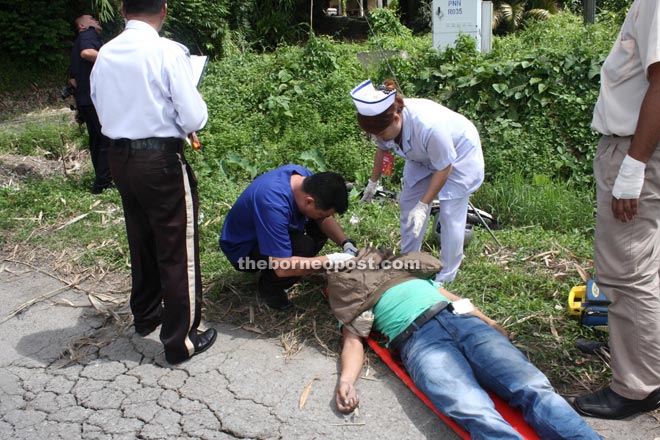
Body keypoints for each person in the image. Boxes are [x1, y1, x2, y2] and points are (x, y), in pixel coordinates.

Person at [327, 247, 602, 440]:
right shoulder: (355, 296)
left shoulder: (408, 275)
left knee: (532, 386)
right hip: (419, 340)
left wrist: (490, 322)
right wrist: (347, 381)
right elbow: (353, 342)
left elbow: (457, 300)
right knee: (470, 407)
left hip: (462, 323)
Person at [90, 0, 216, 365]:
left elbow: (100, 106)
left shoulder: (106, 53)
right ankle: (181, 341)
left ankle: (146, 315)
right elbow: (194, 114)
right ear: (163, 9)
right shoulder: (167, 51)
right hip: (158, 159)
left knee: (141, 237)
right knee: (177, 247)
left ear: (123, 10)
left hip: (119, 157)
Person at [573, 0, 660, 419]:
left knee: (627, 273)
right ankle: (639, 351)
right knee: (643, 266)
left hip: (637, 149)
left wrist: (635, 165)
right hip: (637, 148)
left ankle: (640, 386)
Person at [350, 79, 484, 283]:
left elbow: (444, 167)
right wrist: (373, 183)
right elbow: (382, 149)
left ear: (396, 118)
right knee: (407, 204)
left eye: (383, 133)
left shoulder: (430, 127)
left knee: (450, 214)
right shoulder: (383, 126)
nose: (381, 138)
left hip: (457, 156)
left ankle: (446, 275)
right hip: (421, 156)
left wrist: (424, 205)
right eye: (375, 135)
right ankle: (409, 263)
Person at [220, 164, 357, 310]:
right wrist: (331, 260)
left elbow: (323, 219)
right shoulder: (273, 204)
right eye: (323, 214)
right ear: (309, 201)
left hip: (266, 231)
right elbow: (282, 267)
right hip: (243, 253)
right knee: (304, 246)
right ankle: (270, 289)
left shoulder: (304, 179)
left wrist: (346, 243)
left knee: (319, 229)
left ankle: (287, 266)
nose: (327, 217)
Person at [69, 14, 112, 194]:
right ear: (82, 25)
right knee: (105, 139)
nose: (96, 22)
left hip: (85, 99)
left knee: (96, 140)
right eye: (91, 19)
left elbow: (72, 80)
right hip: (94, 98)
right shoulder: (88, 34)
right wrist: (114, 61)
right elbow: (87, 52)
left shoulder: (76, 44)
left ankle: (101, 181)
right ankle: (103, 183)